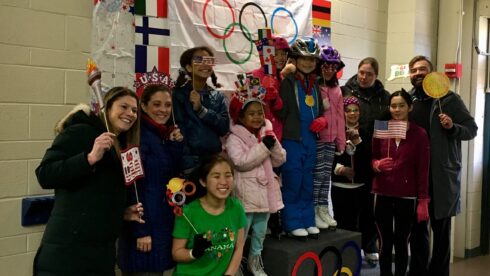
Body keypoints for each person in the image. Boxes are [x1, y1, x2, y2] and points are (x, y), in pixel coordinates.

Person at [33, 87, 142, 275]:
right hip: (68, 252)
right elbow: (45, 174)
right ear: (107, 109)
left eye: (134, 110)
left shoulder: (121, 145)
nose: (130, 114)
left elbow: (95, 195)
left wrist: (120, 212)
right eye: (123, 106)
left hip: (100, 253)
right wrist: (89, 158)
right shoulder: (81, 131)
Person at [408, 56, 478, 276]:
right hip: (415, 177)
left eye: (423, 69)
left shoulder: (449, 99)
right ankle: (417, 271)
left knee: (441, 231)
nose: (418, 73)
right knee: (417, 230)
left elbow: (471, 129)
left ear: (432, 73)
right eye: (414, 70)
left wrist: (452, 127)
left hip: (441, 177)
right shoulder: (408, 101)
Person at [117, 84, 184, 276]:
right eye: (157, 104)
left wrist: (175, 145)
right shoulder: (137, 137)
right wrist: (140, 229)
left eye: (168, 105)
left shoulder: (162, 135)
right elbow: (132, 187)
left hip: (161, 224)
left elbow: (170, 178)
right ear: (143, 106)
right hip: (145, 232)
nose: (163, 110)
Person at [372, 89, 430, 276]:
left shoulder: (419, 134)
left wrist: (423, 201)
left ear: (410, 107)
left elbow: (423, 169)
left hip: (407, 195)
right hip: (382, 192)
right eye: (393, 106)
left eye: (401, 105)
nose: (396, 109)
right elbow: (372, 157)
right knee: (384, 241)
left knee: (402, 242)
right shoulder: (381, 127)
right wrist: (377, 165)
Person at [226, 95, 286, 276]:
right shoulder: (234, 138)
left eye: (260, 113)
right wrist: (263, 147)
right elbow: (240, 162)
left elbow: (280, 159)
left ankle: (254, 261)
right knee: (240, 236)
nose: (257, 117)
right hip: (246, 195)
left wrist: (271, 143)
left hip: (266, 193)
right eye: (251, 114)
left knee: (260, 234)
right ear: (241, 117)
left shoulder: (266, 134)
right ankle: (235, 266)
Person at [341, 57, 390, 264]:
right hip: (348, 154)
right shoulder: (345, 91)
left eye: (369, 74)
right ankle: (348, 249)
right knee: (347, 208)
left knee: (369, 207)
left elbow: (386, 128)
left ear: (376, 75)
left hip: (373, 157)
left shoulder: (385, 98)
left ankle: (370, 245)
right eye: (361, 72)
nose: (363, 76)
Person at [277, 37, 324, 239]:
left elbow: (320, 109)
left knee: (308, 181)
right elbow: (281, 112)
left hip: (311, 139)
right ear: (294, 59)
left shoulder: (315, 85)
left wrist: (323, 120)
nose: (308, 63)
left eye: (312, 60)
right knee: (293, 181)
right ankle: (292, 221)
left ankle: (308, 220)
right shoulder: (287, 82)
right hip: (292, 139)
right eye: (304, 58)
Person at [171, 155, 247, 276]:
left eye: (228, 175)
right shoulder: (188, 212)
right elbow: (176, 253)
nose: (223, 182)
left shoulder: (236, 207)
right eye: (216, 176)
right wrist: (194, 253)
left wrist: (229, 274)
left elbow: (239, 246)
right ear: (203, 181)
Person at [173, 46, 230, 181]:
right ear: (189, 67)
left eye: (209, 61)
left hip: (214, 160)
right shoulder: (178, 95)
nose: (205, 64)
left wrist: (201, 110)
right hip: (189, 162)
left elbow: (224, 128)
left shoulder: (218, 96)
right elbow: (178, 128)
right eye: (199, 60)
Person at [312, 45, 346, 230]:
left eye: (333, 67)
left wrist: (340, 140)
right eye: (326, 66)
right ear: (319, 66)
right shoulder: (314, 86)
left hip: (331, 140)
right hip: (318, 138)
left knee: (326, 176)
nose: (330, 70)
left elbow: (340, 117)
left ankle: (323, 208)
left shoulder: (336, 89)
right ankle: (314, 209)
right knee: (317, 176)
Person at [331, 96, 370, 233]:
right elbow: (327, 157)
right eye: (348, 110)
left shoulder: (366, 131)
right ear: (342, 112)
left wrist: (358, 142)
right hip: (340, 187)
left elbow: (369, 159)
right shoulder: (335, 132)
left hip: (361, 187)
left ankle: (366, 252)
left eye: (355, 110)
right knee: (343, 226)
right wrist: (339, 169)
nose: (352, 113)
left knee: (364, 224)